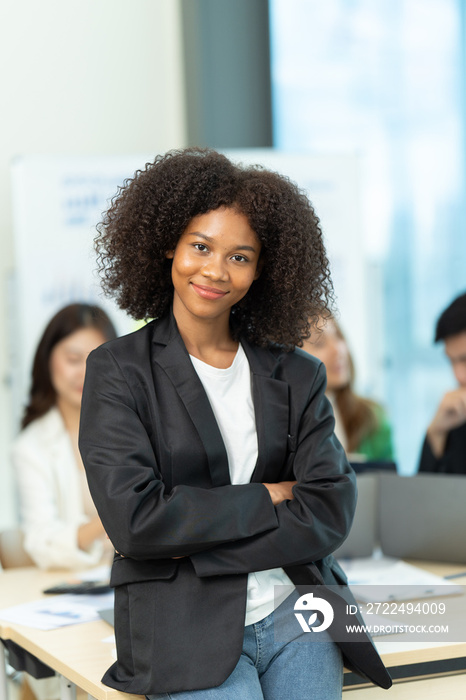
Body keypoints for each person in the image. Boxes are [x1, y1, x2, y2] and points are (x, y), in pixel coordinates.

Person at [79, 147, 392, 698]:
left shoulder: (297, 373)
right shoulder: (118, 372)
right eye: (201, 246)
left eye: (240, 256)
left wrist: (191, 546)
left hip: (299, 613)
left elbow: (329, 509)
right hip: (183, 628)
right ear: (168, 246)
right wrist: (268, 495)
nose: (215, 271)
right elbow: (137, 524)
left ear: (264, 270)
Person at [12, 303, 117, 570]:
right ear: (48, 360)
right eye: (72, 359)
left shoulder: (138, 426)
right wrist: (113, 519)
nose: (84, 372)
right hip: (76, 584)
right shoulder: (31, 446)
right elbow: (42, 543)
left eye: (95, 359)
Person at [302, 317, 394, 462]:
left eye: (338, 337)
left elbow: (388, 480)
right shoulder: (280, 421)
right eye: (320, 343)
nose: (338, 350)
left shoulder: (373, 416)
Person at [418, 291, 466, 474]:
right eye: (452, 361)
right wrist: (436, 434)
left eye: (465, 360)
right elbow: (421, 498)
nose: (458, 376)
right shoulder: (457, 419)